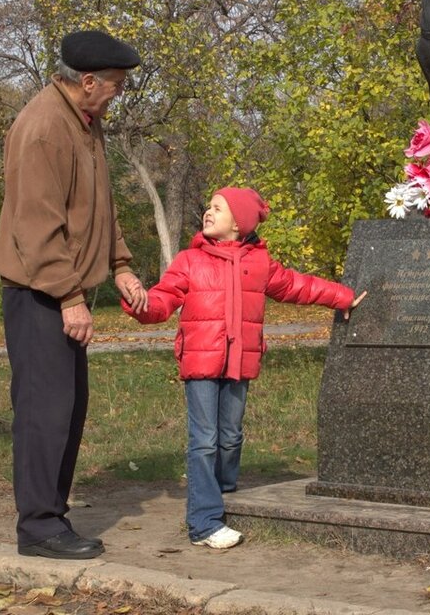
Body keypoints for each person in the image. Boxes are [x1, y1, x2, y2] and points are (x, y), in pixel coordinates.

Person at [122, 187, 366, 549]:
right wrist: (140, 304)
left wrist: (342, 296)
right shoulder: (189, 261)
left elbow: (300, 286)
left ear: (238, 224)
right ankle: (204, 522)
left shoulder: (260, 264)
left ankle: (224, 499)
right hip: (201, 363)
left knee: (231, 436)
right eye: (208, 206)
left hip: (240, 362)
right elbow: (163, 299)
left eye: (217, 208)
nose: (208, 211)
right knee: (204, 441)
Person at [0, 29, 149, 561]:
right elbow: (38, 227)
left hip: (61, 291)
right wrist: (69, 298)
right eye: (116, 85)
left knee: (67, 408)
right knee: (45, 411)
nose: (118, 94)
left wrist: (121, 265)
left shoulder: (84, 122)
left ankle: (51, 517)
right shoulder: (43, 129)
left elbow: (97, 207)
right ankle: (37, 527)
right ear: (86, 82)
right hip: (39, 294)